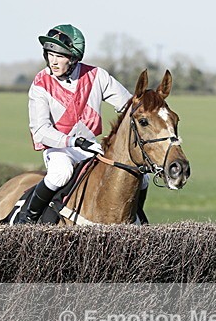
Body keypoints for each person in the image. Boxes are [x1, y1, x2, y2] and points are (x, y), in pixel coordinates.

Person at [24, 23, 149, 224]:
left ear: (73, 58)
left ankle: (138, 218)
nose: (53, 61)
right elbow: (41, 131)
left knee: (142, 177)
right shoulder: (40, 84)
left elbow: (129, 106)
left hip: (91, 147)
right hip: (59, 148)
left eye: (60, 56)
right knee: (61, 173)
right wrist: (73, 141)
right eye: (50, 54)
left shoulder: (97, 76)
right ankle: (27, 219)